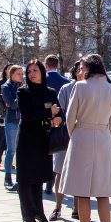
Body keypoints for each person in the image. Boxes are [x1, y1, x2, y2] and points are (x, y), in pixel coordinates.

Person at [58, 54, 111, 222]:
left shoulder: (80, 86)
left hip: (82, 136)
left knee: (82, 191)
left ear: (88, 68)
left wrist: (76, 135)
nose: (81, 70)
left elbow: (70, 117)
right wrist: (102, 133)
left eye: (82, 66)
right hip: (102, 137)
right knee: (103, 191)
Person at [15, 60, 63, 222]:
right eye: (29, 72)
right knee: (26, 179)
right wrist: (49, 113)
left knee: (39, 178)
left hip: (44, 139)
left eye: (35, 70)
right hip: (28, 140)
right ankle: (28, 216)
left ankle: (39, 213)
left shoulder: (50, 92)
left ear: (42, 72)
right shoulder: (23, 92)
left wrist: (58, 119)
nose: (31, 74)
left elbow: (59, 111)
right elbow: (28, 115)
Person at [49, 59, 81, 222]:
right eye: (79, 69)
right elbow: (59, 111)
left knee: (79, 174)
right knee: (60, 172)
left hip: (82, 138)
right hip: (64, 136)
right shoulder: (66, 89)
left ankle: (77, 207)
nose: (82, 72)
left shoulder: (90, 89)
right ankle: (58, 207)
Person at [43, 54, 70, 195]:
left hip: (44, 119)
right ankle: (50, 184)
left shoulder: (42, 80)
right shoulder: (65, 81)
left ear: (46, 65)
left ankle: (47, 183)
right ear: (57, 65)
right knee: (55, 150)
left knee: (45, 152)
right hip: (60, 120)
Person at [0, 65, 24, 192]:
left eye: (22, 74)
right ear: (12, 74)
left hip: (23, 120)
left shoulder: (23, 87)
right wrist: (21, 95)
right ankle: (7, 178)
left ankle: (21, 180)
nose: (22, 76)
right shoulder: (6, 87)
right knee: (11, 150)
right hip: (12, 121)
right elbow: (13, 104)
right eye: (19, 74)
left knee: (22, 151)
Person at [0, 64, 11, 172]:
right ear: (5, 71)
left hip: (14, 115)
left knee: (11, 139)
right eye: (8, 69)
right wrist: (2, 106)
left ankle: (8, 161)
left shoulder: (17, 84)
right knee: (1, 136)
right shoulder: (0, 83)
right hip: (2, 114)